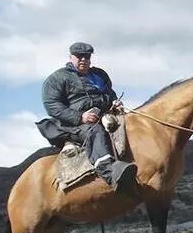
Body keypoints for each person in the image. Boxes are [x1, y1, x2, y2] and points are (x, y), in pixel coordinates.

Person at [35, 42, 137, 192]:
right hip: (73, 124)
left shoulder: (99, 74)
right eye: (79, 56)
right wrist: (80, 117)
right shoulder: (57, 78)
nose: (83, 59)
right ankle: (109, 172)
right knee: (95, 132)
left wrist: (114, 101)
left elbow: (109, 93)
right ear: (71, 57)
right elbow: (52, 105)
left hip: (105, 114)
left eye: (87, 56)